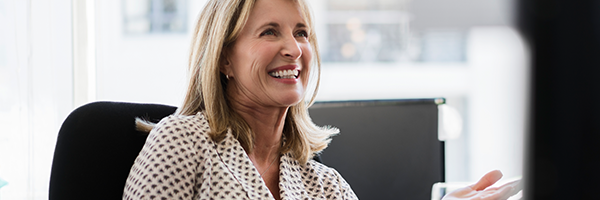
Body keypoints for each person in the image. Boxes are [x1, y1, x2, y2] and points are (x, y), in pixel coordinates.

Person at [123, 0, 522, 199]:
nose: (294, 49)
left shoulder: (324, 185)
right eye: (269, 33)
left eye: (301, 33)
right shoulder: (182, 141)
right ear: (224, 57)